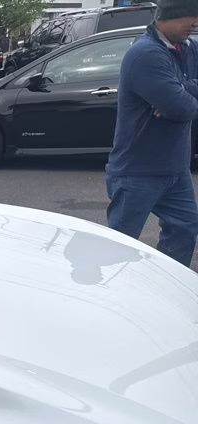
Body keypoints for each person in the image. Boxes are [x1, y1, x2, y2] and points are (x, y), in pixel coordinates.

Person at [106, 0, 198, 269]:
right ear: (168, 17)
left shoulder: (189, 49)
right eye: (190, 18)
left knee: (184, 230)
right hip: (137, 171)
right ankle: (114, 298)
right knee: (120, 243)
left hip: (175, 169)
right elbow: (181, 107)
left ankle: (166, 287)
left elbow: (179, 100)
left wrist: (182, 87)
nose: (196, 24)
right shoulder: (145, 54)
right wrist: (179, 95)